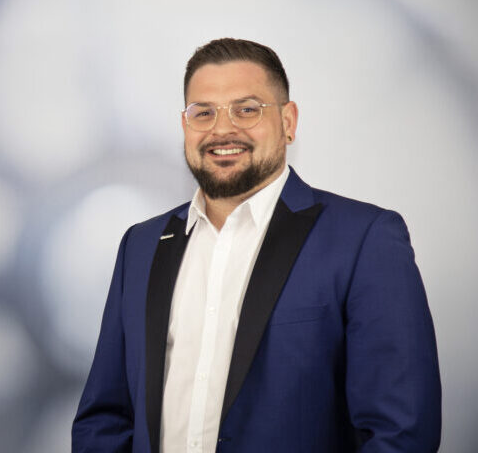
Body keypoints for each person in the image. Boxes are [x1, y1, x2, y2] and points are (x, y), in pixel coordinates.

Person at [72, 38, 441, 453]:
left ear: (288, 121)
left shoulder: (364, 239)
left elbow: (401, 433)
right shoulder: (141, 246)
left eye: (246, 109)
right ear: (185, 126)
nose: (222, 129)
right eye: (203, 112)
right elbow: (104, 419)